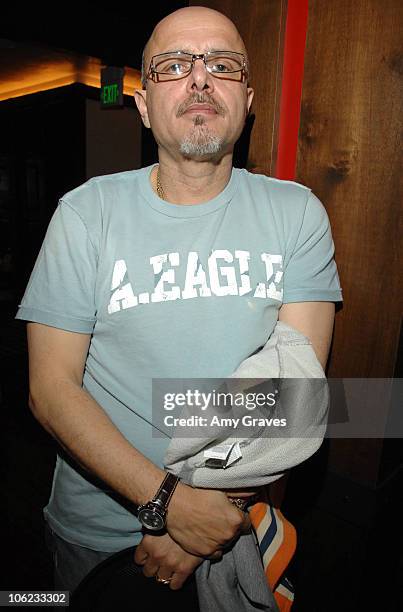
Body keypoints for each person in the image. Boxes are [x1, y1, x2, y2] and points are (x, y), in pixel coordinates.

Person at [15, 5, 342, 600]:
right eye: (173, 65)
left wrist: (199, 516)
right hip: (97, 534)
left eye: (221, 64)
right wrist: (166, 500)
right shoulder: (85, 214)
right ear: (142, 106)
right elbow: (51, 388)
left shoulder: (297, 213)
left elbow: (297, 391)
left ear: (247, 100)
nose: (199, 78)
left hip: (229, 522)